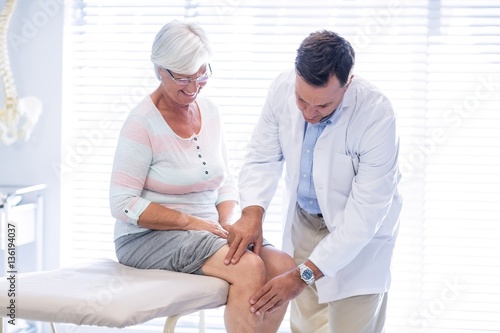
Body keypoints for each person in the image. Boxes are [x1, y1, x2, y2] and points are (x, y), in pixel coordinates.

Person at [109, 20, 296, 333]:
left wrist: (229, 223)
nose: (193, 88)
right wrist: (192, 222)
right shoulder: (142, 123)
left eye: (202, 75)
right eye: (183, 78)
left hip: (209, 231)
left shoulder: (210, 111)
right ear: (159, 70)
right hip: (146, 238)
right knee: (249, 267)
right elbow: (122, 203)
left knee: (281, 267)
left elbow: (224, 182)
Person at [225, 29, 403, 333]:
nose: (309, 113)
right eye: (302, 100)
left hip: (357, 238)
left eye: (323, 106)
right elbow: (262, 156)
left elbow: (365, 216)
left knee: (352, 326)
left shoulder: (376, 115)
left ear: (348, 84)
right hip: (304, 221)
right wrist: (252, 212)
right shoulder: (281, 88)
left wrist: (300, 276)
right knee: (305, 326)